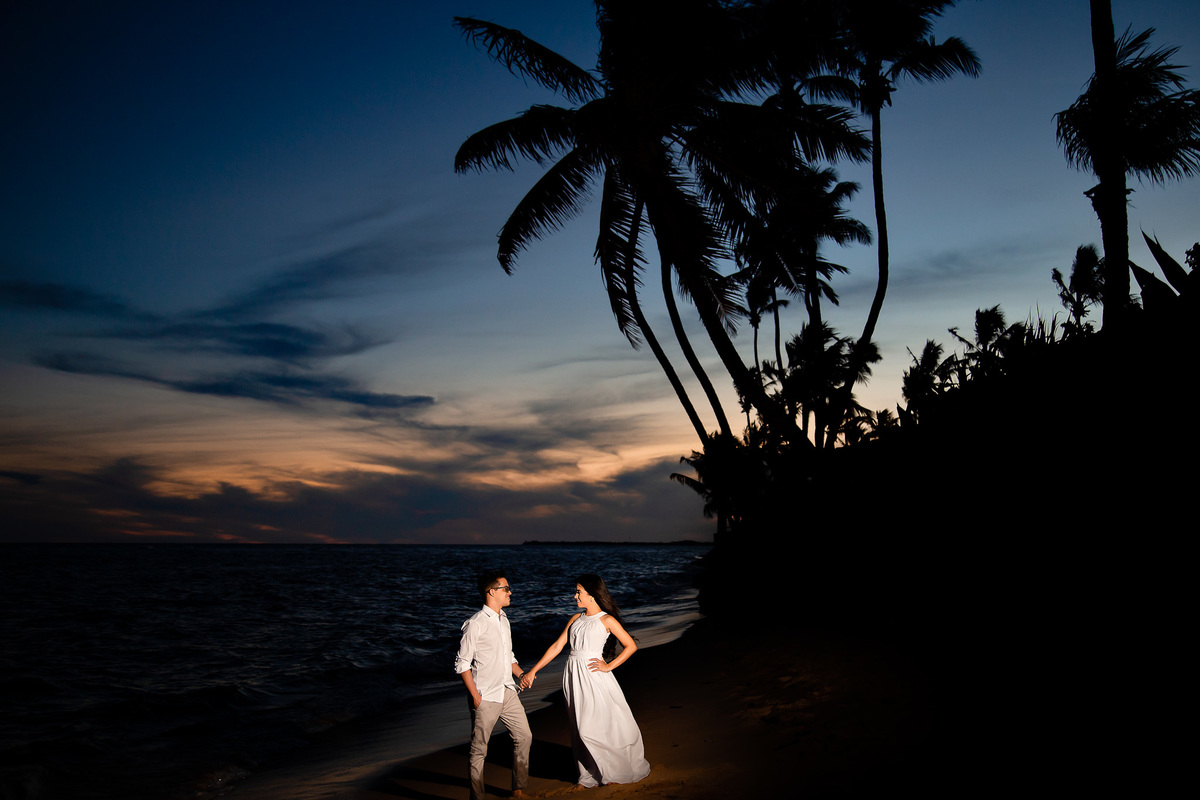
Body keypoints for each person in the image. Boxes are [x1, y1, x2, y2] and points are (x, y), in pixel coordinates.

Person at [521, 574, 650, 790]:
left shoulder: (606, 620)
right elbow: (557, 646)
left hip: (594, 677)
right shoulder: (575, 619)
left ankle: (612, 772)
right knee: (578, 725)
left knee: (592, 727)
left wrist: (608, 666)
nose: (575, 596)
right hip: (573, 675)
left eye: (579, 591)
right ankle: (587, 776)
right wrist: (533, 671)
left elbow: (630, 645)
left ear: (592, 594)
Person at [455, 569, 533, 800]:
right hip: (485, 695)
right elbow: (462, 663)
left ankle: (518, 790)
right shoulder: (475, 624)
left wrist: (521, 675)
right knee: (479, 750)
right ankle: (477, 797)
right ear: (491, 592)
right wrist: (475, 696)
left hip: (508, 691)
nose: (511, 592)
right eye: (506, 588)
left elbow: (508, 655)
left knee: (524, 736)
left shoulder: (504, 620)